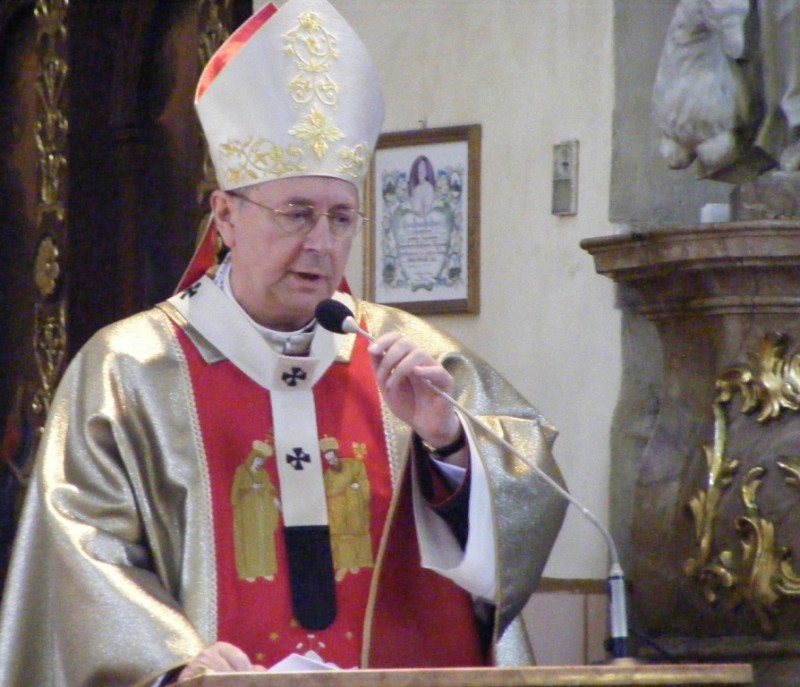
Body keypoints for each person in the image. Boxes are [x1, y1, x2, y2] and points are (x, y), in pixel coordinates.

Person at [0, 1, 566, 685]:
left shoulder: (414, 360)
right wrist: (171, 662)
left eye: (341, 217)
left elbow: (527, 495)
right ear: (226, 216)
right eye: (297, 214)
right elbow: (81, 550)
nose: (321, 243)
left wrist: (449, 446)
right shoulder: (128, 372)